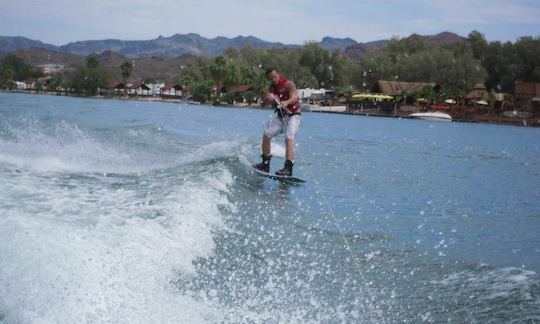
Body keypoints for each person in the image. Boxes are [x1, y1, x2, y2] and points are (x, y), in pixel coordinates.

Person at [253, 68, 302, 176]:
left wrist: (286, 102)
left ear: (278, 74)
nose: (274, 79)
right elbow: (263, 105)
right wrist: (267, 98)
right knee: (266, 134)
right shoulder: (271, 89)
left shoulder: (288, 84)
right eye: (271, 78)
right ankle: (265, 165)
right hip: (281, 118)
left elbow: (295, 97)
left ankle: (288, 168)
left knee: (289, 137)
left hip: (294, 116)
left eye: (275, 76)